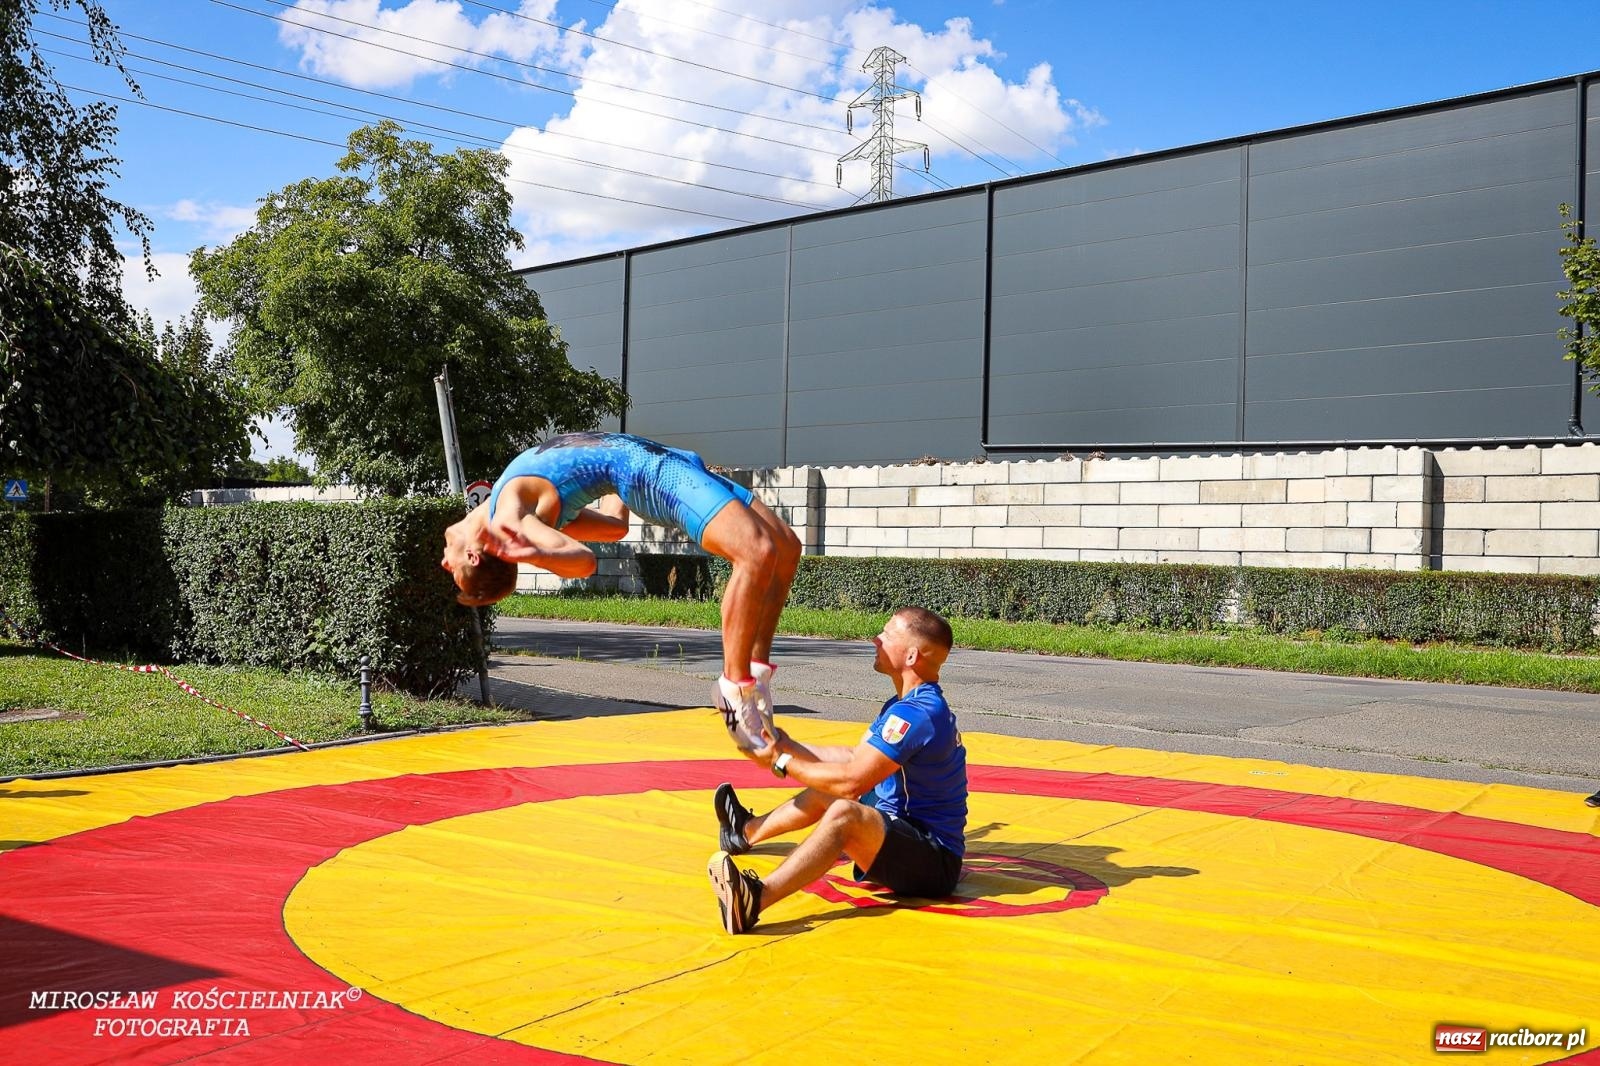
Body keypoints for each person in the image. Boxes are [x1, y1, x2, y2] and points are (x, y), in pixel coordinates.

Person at [440, 431, 802, 749]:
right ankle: (735, 688)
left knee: (786, 548)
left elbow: (614, 527)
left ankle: (756, 672)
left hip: (661, 457)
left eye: (450, 568)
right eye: (451, 569)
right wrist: (537, 554)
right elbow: (582, 560)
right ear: (474, 555)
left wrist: (606, 479)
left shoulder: (502, 507)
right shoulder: (509, 520)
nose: (444, 562)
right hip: (647, 470)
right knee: (756, 551)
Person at [706, 606, 967, 934]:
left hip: (933, 862)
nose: (876, 639)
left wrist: (781, 762)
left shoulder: (918, 715)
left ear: (912, 655)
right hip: (908, 837)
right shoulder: (906, 705)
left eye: (887, 634)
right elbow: (853, 757)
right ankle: (745, 831)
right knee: (828, 793)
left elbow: (852, 781)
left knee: (845, 811)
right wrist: (779, 742)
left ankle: (754, 900)